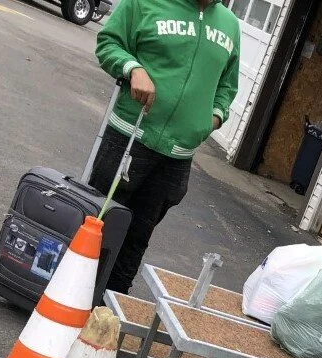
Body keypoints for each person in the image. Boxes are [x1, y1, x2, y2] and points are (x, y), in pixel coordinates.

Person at [92, 0, 240, 294]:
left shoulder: (229, 24)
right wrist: (133, 68)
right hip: (129, 138)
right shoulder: (144, 3)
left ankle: (107, 309)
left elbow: (227, 84)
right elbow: (109, 42)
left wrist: (213, 118)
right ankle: (67, 300)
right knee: (97, 223)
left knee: (138, 236)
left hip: (177, 157)